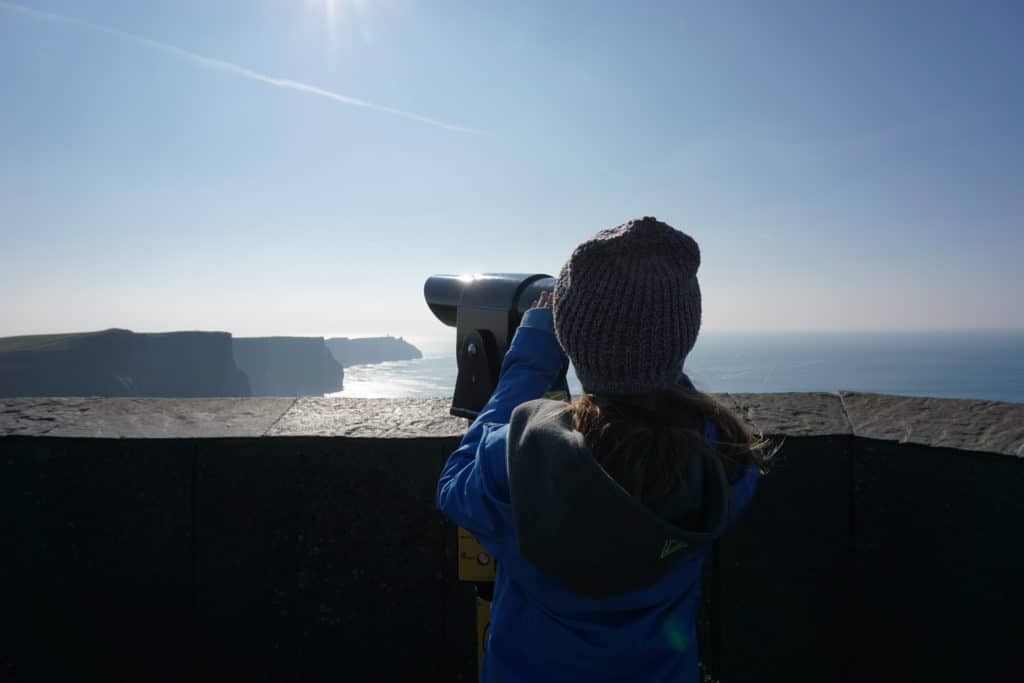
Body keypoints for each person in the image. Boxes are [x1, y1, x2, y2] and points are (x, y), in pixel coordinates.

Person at [437, 217, 771, 682]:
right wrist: (654, 361)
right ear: (684, 335)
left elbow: (454, 486)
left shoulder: (524, 454)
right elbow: (669, 407)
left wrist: (531, 354)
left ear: (569, 335)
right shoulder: (725, 457)